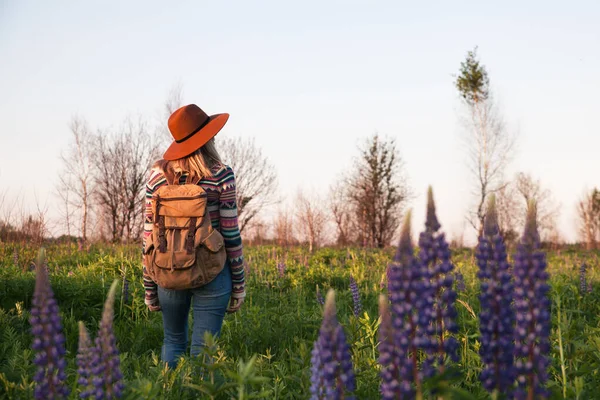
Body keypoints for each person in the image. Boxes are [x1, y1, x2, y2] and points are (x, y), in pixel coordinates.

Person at [142, 104, 246, 368]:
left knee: (172, 341)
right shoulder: (221, 174)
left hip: (168, 271)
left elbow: (148, 239)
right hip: (213, 272)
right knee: (205, 352)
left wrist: (149, 285)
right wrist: (239, 284)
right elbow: (231, 234)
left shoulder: (156, 177)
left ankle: (169, 394)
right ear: (207, 138)